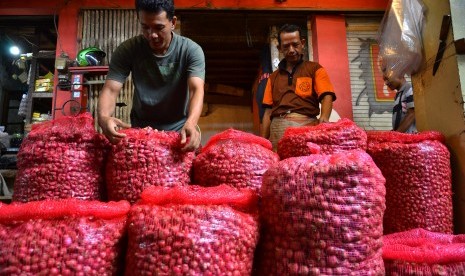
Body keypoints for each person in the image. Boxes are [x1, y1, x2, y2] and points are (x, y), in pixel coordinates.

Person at [97, 0, 205, 151]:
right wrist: (104, 118)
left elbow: (196, 89)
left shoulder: (191, 50)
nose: (152, 35)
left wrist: (191, 123)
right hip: (140, 132)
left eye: (159, 27)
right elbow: (110, 89)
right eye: (145, 27)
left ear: (172, 22)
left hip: (179, 131)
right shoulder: (128, 50)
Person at [260, 24, 336, 150]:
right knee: (280, 167)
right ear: (279, 48)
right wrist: (263, 141)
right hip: (278, 130)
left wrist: (324, 118)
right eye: (286, 46)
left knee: (306, 166)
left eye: (295, 45)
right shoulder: (272, 78)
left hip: (308, 128)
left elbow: (326, 95)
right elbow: (268, 112)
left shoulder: (315, 68)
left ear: (302, 43)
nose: (291, 50)